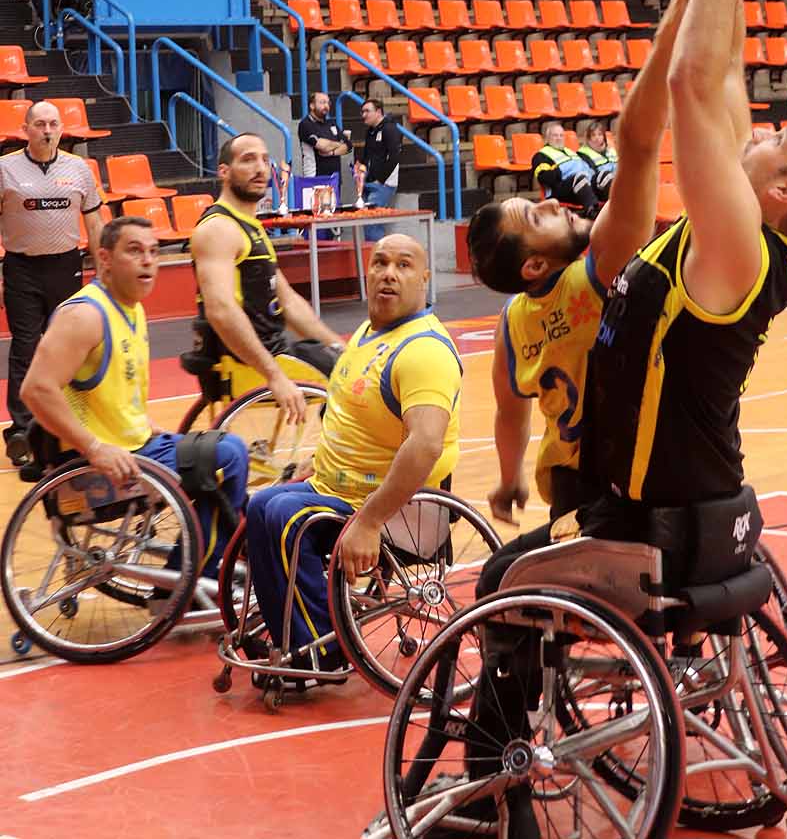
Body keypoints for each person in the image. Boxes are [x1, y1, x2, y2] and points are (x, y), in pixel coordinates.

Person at [414, 0, 787, 839]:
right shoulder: (731, 238)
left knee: (497, 581)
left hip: (647, 514)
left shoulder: (737, 250)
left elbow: (702, 92)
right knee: (516, 570)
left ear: (785, 193)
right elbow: (684, 101)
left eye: (775, 144)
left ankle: (492, 797)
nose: (759, 129)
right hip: (697, 498)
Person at [244, 233, 461, 673]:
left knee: (285, 516)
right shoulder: (368, 333)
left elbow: (425, 445)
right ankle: (292, 633)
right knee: (261, 502)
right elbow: (350, 418)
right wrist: (318, 463)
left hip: (392, 508)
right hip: (340, 487)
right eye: (380, 262)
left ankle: (323, 651)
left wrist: (370, 520)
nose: (388, 274)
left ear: (424, 279)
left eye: (403, 266)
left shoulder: (424, 351)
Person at [20, 215, 247, 578]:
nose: (148, 261)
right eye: (135, 251)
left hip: (134, 444)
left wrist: (143, 422)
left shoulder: (131, 308)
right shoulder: (85, 315)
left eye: (154, 252)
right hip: (101, 464)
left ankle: (217, 556)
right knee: (229, 457)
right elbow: (35, 390)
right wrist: (94, 448)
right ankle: (188, 584)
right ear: (105, 259)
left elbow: (108, 391)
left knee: (230, 468)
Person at [188, 133, 344, 406]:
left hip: (275, 352)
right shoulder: (218, 229)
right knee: (357, 387)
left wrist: (340, 347)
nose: (260, 168)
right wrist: (273, 375)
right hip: (246, 363)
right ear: (224, 171)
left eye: (264, 159)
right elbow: (220, 309)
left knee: (348, 365)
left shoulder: (251, 227)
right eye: (248, 160)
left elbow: (289, 303)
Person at [0, 100, 104, 471]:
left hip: (66, 266)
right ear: (25, 129)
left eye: (53, 124)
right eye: (40, 123)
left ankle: (68, 426)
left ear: (62, 129)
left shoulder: (78, 169)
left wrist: (103, 273)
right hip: (21, 268)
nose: (47, 130)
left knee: (70, 347)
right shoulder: (5, 169)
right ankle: (23, 430)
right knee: (27, 346)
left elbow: (94, 224)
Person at [530, 121, 601, 218]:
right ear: (547, 138)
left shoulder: (570, 152)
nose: (559, 138)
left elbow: (588, 169)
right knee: (579, 177)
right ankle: (594, 213)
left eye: (561, 135)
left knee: (604, 176)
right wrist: (560, 170)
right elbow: (545, 178)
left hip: (584, 186)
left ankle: (617, 207)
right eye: (555, 135)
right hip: (561, 190)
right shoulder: (541, 155)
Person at [355, 98, 402, 242]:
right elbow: (368, 155)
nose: (363, 115)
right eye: (362, 111)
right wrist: (360, 166)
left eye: (367, 111)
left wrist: (380, 179)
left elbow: (394, 157)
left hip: (382, 184)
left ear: (378, 112)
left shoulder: (390, 129)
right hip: (368, 182)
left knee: (373, 223)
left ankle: (377, 258)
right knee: (367, 223)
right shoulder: (370, 131)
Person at [297, 90, 350, 182]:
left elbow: (348, 146)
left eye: (328, 103)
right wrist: (339, 144)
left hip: (334, 179)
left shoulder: (331, 123)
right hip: (315, 178)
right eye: (322, 102)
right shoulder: (306, 124)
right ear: (312, 105)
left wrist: (332, 153)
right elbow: (322, 146)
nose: (326, 106)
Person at [576, 120, 617, 204]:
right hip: (598, 188)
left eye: (600, 134)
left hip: (616, 184)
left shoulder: (611, 151)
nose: (597, 138)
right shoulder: (583, 154)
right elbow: (590, 177)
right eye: (593, 135)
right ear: (588, 139)